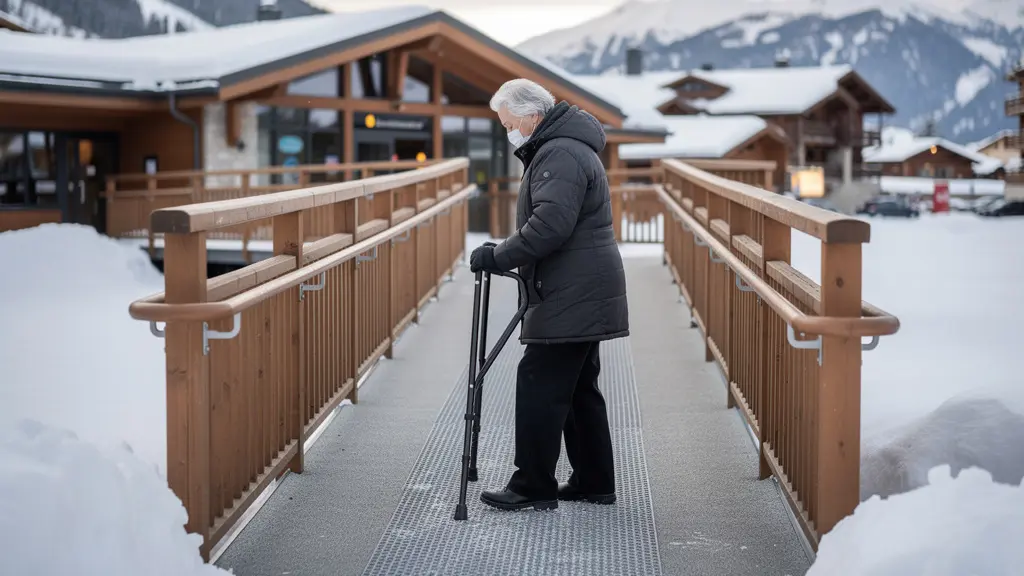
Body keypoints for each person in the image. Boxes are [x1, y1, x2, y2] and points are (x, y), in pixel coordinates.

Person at [469, 78, 629, 512]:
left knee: (539, 382)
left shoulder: (558, 152)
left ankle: (533, 485)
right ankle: (594, 480)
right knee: (577, 388)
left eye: (508, 123)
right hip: (581, 285)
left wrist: (496, 256)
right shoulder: (565, 147)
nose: (507, 132)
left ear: (531, 116)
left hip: (572, 289)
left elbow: (549, 228)